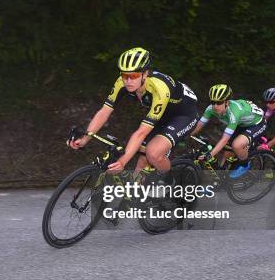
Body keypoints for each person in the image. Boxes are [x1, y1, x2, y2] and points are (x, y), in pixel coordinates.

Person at [68, 47, 199, 184]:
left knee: (153, 153)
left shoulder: (159, 88)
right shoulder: (121, 83)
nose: (128, 81)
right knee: (142, 162)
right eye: (125, 75)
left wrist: (123, 161)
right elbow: (104, 111)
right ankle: (137, 199)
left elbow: (141, 132)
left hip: (184, 115)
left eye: (134, 76)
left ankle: (171, 183)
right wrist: (85, 138)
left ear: (145, 74)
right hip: (161, 115)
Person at [191, 84, 266, 179]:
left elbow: (224, 139)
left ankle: (245, 165)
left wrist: (210, 155)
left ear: (227, 102)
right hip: (241, 124)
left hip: (257, 124)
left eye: (219, 103)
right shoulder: (210, 109)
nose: (215, 106)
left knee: (236, 145)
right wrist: (183, 136)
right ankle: (220, 179)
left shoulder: (234, 112)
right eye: (213, 102)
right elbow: (199, 126)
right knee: (227, 153)